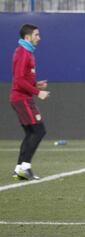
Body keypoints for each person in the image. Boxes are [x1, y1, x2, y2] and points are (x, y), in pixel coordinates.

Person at [10, 24, 50, 180]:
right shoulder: (24, 53)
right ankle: (25, 167)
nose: (39, 38)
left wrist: (35, 84)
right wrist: (38, 92)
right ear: (27, 37)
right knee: (39, 131)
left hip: (21, 98)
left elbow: (22, 79)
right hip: (22, 99)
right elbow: (18, 80)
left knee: (30, 133)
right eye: (36, 35)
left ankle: (19, 168)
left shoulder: (26, 52)